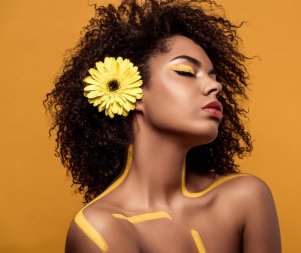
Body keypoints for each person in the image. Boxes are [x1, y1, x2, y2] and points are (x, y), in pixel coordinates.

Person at [44, 0, 281, 252]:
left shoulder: (246, 198)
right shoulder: (101, 230)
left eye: (214, 77)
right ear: (131, 92)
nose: (216, 87)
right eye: (186, 71)